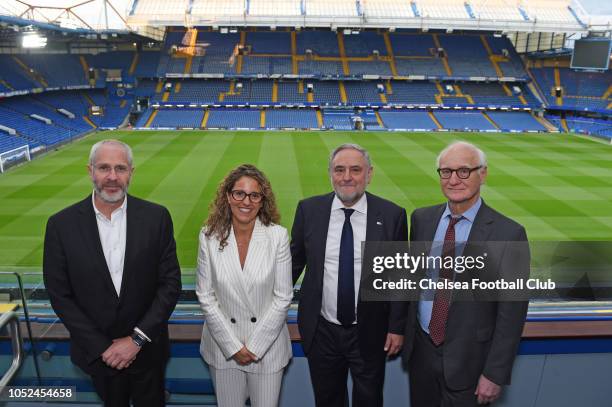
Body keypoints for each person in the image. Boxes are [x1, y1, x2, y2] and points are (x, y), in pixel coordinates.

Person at [43, 139, 181, 407]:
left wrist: (136, 340)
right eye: (104, 168)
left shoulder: (157, 217)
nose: (112, 177)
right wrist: (102, 347)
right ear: (90, 171)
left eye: (120, 168)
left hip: (148, 353)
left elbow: (170, 285)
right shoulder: (61, 225)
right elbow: (60, 295)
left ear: (131, 172)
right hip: (97, 357)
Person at [402, 141, 529, 407]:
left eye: (464, 171)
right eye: (446, 172)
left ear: (482, 174)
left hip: (471, 364)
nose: (453, 179)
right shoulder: (422, 220)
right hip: (422, 356)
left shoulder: (509, 234)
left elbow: (512, 314)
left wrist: (494, 373)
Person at [291, 143, 408, 407]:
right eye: (339, 169)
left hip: (370, 331)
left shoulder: (392, 215)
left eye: (355, 170)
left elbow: (400, 277)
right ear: (330, 173)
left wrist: (396, 327)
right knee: (327, 400)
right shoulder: (309, 210)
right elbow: (292, 266)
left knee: (369, 400)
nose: (347, 177)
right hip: (322, 331)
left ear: (369, 174)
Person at [196, 164, 293, 407]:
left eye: (254, 195)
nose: (246, 201)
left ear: (262, 201)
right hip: (223, 349)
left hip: (267, 350)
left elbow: (283, 297)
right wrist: (233, 347)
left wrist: (255, 346)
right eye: (239, 193)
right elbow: (205, 296)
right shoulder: (208, 236)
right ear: (228, 196)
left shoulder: (278, 236)